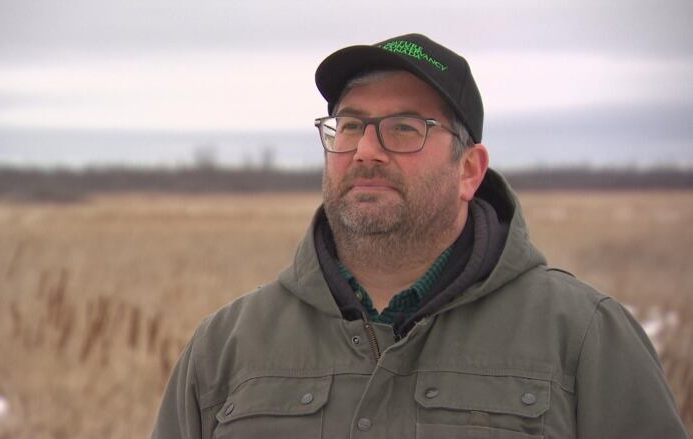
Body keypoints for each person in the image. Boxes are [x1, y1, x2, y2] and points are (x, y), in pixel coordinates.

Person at [151, 33, 686, 438]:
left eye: (404, 128)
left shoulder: (582, 336)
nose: (365, 150)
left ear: (470, 171)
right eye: (352, 126)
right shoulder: (228, 345)